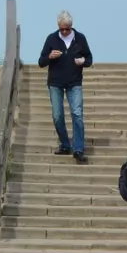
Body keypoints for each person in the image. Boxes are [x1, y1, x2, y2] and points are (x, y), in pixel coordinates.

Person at [37, 11, 93, 164]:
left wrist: (83, 61)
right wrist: (50, 57)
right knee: (57, 115)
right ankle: (65, 144)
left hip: (74, 82)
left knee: (77, 114)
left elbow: (89, 58)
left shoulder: (80, 38)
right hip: (55, 82)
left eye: (67, 28)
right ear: (58, 27)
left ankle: (78, 149)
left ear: (71, 27)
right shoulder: (52, 38)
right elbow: (41, 62)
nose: (65, 31)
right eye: (62, 29)